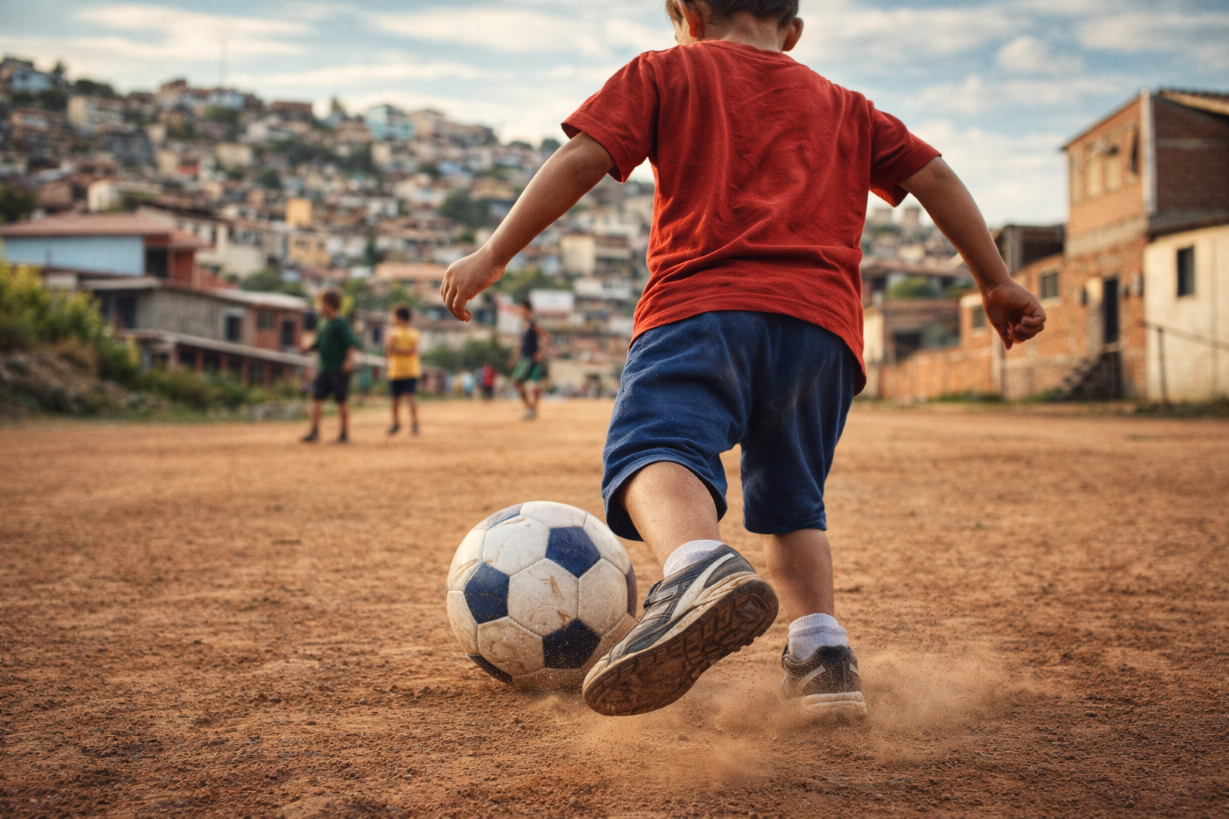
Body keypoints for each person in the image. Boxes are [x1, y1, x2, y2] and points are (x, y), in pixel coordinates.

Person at [441, 0, 1045, 718]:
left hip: (701, 308)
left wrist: (493, 253)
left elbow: (582, 156)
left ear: (684, 14)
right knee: (794, 505)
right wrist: (994, 279)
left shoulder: (665, 72)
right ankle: (822, 654)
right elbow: (933, 176)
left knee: (652, 446)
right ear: (791, 30)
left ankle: (696, 567)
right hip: (821, 334)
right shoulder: (848, 107)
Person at [302, 288, 361, 444]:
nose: (318, 306)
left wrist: (348, 361)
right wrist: (307, 348)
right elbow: (319, 342)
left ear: (329, 305)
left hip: (339, 368)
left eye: (321, 303)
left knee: (341, 400)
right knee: (316, 398)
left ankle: (344, 434)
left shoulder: (340, 322)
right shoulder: (322, 322)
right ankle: (314, 431)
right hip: (325, 367)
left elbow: (350, 344)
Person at [508, 300, 549, 420]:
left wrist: (541, 353)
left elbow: (546, 337)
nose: (519, 311)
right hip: (524, 359)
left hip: (531, 359)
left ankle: (532, 409)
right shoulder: (524, 325)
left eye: (521, 309)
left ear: (527, 310)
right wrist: (514, 358)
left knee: (532, 385)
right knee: (518, 382)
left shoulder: (533, 324)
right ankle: (530, 408)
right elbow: (520, 344)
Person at [385, 303, 421, 436]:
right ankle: (412, 423)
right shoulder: (414, 333)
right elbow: (411, 351)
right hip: (407, 370)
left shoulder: (393, 333)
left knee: (398, 399)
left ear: (399, 318)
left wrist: (396, 349)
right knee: (406, 398)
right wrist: (405, 351)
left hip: (400, 370)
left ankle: (397, 423)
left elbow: (389, 349)